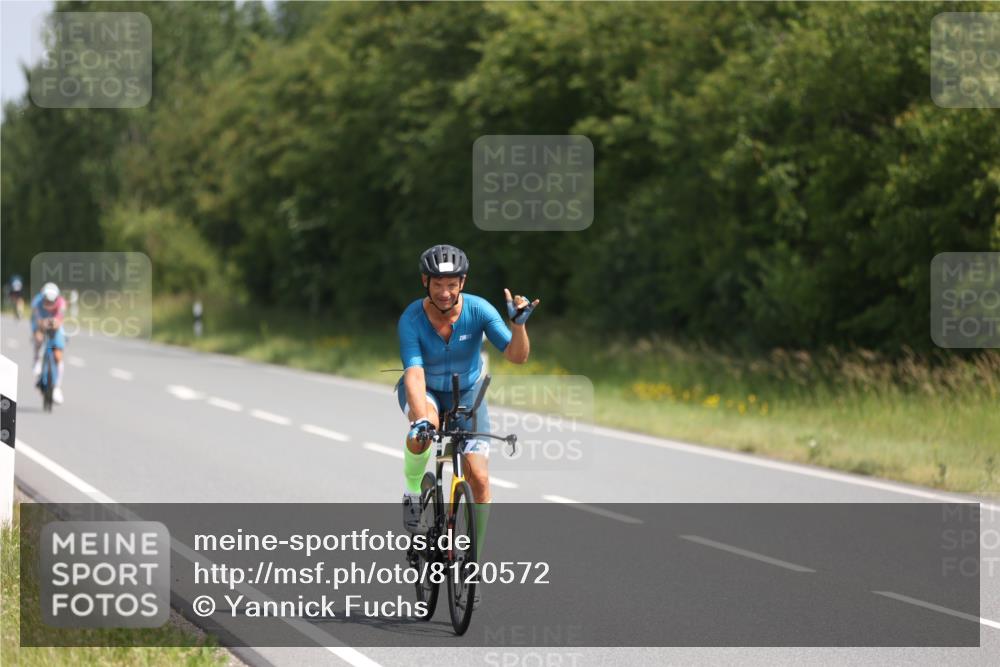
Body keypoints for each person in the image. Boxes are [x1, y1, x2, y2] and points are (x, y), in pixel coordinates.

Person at [396, 244, 539, 605]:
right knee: (423, 430)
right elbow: (413, 374)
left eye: (452, 284)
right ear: (425, 282)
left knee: (480, 478)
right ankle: (414, 490)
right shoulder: (411, 319)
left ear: (463, 282)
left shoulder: (479, 310)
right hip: (425, 389)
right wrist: (422, 420)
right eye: (438, 284)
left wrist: (517, 326)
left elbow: (517, 356)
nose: (445, 292)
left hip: (466, 395)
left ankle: (471, 561)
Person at [31, 282, 67, 404]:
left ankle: (56, 387)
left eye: (52, 301)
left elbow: (59, 319)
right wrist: (41, 327)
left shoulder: (61, 303)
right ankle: (37, 360)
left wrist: (54, 323)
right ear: (43, 297)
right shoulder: (37, 302)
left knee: (57, 355)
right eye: (47, 300)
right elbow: (37, 319)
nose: (49, 303)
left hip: (55, 324)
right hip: (40, 321)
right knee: (39, 338)